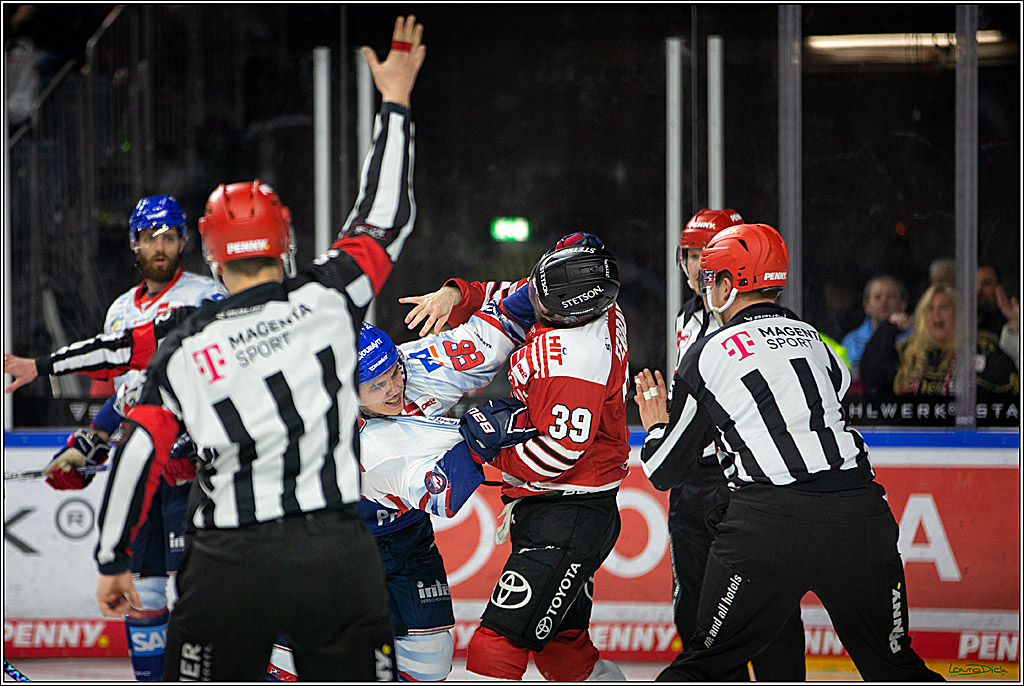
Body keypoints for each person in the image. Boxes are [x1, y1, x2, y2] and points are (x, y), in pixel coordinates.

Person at [92, 15, 424, 680]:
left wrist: (112, 558)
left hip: (228, 564)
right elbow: (386, 217)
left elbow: (137, 450)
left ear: (210, 254)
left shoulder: (184, 341)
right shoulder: (331, 298)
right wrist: (395, 102)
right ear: (286, 240)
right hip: (332, 554)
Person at [633, 223, 942, 681]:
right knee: (894, 666)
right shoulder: (812, 336)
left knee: (704, 665)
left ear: (726, 284)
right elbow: (835, 387)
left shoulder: (705, 352)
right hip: (860, 515)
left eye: (711, 277)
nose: (705, 287)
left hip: (768, 525)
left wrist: (656, 420)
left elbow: (663, 470)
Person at [4, 192, 224, 681]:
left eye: (169, 236)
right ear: (134, 244)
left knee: (197, 602)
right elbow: (126, 396)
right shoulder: (121, 310)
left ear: (184, 240)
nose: (160, 246)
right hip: (142, 473)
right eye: (150, 237)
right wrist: (87, 445)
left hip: (194, 481)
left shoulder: (206, 297)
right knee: (141, 600)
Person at [442, 236, 629, 682]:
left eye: (545, 306)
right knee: (564, 651)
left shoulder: (576, 364)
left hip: (567, 516)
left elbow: (557, 454)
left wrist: (491, 449)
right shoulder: (584, 294)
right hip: (571, 511)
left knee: (496, 645)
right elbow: (519, 295)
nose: (534, 305)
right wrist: (460, 295)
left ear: (574, 312)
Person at [663, 209, 805, 681]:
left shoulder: (759, 324)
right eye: (690, 255)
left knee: (769, 610)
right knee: (696, 608)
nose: (696, 267)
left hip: (745, 479)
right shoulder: (685, 316)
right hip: (693, 480)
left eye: (706, 257)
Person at [860, 283, 1018, 400]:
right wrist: (888, 330)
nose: (936, 314)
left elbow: (1012, 396)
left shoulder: (984, 350)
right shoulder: (906, 351)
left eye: (944, 307)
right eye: (930, 308)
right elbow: (872, 377)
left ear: (959, 314)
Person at [841, 275, 909, 379]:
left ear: (903, 305)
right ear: (866, 306)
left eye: (891, 297)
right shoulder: (852, 341)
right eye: (877, 297)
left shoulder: (914, 336)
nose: (884, 302)